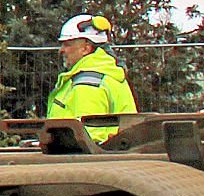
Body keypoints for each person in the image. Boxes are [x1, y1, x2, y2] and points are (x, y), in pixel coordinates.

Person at [46, 14, 138, 142]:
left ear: (86, 48)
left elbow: (90, 138)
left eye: (67, 44)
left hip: (89, 160)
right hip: (115, 155)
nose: (61, 50)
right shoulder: (107, 72)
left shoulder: (88, 84)